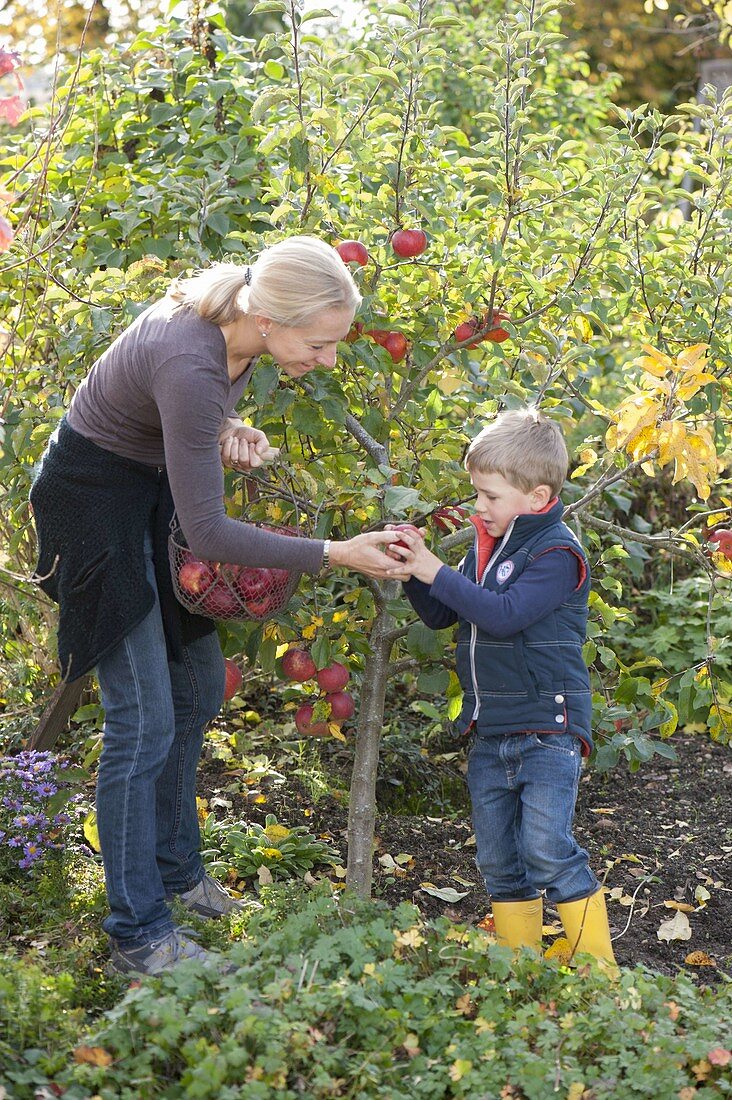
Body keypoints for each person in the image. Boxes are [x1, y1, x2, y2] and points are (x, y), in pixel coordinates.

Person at [30, 235, 402, 976]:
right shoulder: (191, 355)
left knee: (197, 687)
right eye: (320, 344)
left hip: (142, 494)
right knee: (143, 722)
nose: (327, 360)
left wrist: (220, 433)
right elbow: (208, 532)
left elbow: (169, 416)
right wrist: (336, 551)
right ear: (269, 318)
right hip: (92, 507)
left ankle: (175, 873)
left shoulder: (235, 336)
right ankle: (138, 936)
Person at [389, 408, 616, 965]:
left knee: (547, 850)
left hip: (546, 727)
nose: (478, 508)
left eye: (490, 496)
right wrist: (412, 570)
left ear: (538, 497)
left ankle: (600, 975)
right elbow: (447, 615)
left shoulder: (557, 553)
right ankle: (522, 967)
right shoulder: (486, 547)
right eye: (476, 495)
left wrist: (431, 568)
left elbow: (504, 615)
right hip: (491, 730)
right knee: (497, 859)